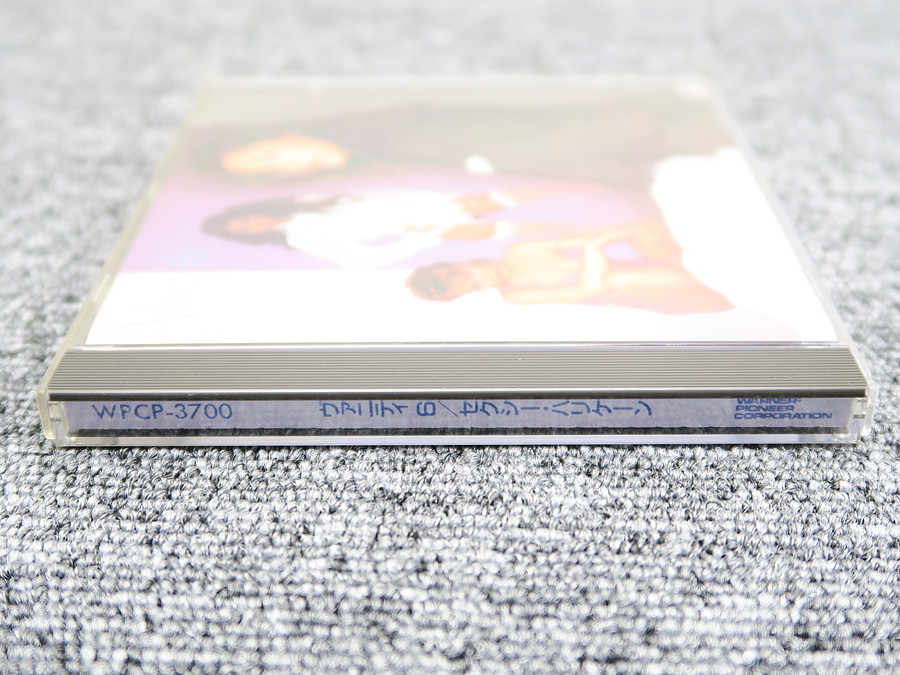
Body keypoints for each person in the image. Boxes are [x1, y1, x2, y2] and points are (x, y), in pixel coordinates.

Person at [201, 186, 580, 269]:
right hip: (421, 223)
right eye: (245, 228)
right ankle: (581, 228)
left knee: (514, 196)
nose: (253, 223)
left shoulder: (304, 202)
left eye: (246, 217)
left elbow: (366, 195)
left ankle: (582, 190)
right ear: (250, 236)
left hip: (421, 201)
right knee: (524, 228)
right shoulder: (301, 237)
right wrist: (415, 240)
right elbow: (363, 261)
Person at [406, 219, 733, 314]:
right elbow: (590, 287)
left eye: (470, 275)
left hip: (664, 268)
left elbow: (592, 235)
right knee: (616, 278)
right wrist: (593, 246)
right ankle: (723, 279)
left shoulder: (519, 250)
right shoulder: (516, 295)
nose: (485, 280)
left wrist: (605, 236)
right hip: (670, 295)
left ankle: (719, 261)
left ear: (463, 262)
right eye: (476, 286)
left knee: (641, 227)